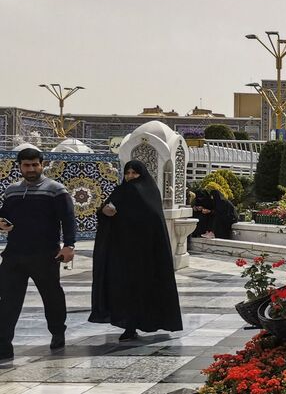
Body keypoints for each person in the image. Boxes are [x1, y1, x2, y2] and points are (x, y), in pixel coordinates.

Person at [89, 160, 183, 341]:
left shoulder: (147, 191)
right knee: (125, 291)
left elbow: (152, 217)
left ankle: (142, 323)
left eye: (134, 173)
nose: (130, 176)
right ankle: (130, 326)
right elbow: (105, 211)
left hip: (145, 253)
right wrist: (104, 211)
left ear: (143, 174)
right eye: (128, 173)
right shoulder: (122, 190)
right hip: (123, 252)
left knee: (144, 290)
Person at [0, 148, 76, 361]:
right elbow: (4, 215)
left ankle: (57, 331)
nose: (31, 169)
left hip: (45, 255)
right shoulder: (12, 191)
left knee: (52, 297)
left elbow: (68, 219)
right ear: (20, 166)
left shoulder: (55, 190)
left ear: (42, 165)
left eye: (35, 164)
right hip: (14, 255)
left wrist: (69, 245)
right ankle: (3, 345)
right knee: (7, 300)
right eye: (26, 165)